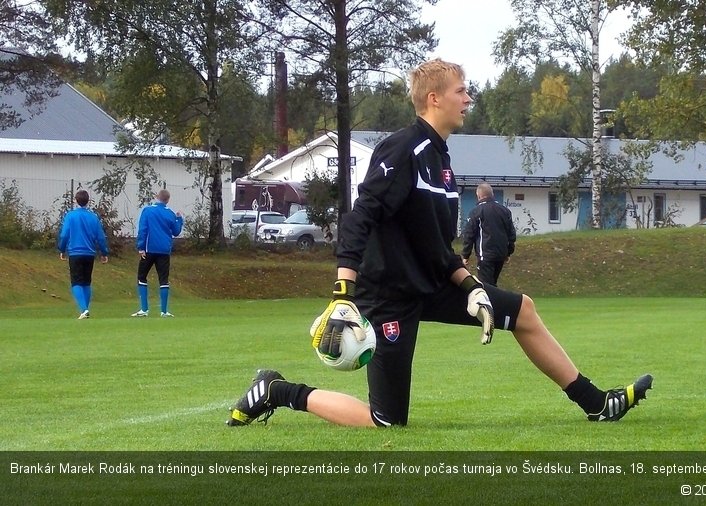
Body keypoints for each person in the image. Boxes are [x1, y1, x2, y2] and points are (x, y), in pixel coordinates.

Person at [227, 59, 652, 428]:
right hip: (389, 295)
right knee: (386, 421)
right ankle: (278, 391)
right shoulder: (403, 149)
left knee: (522, 310)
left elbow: (435, 248)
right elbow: (360, 217)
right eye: (461, 91)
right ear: (434, 98)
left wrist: (472, 289)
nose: (468, 98)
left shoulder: (442, 160)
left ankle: (596, 404)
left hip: (429, 284)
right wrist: (343, 291)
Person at [57, 190, 109, 319]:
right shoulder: (93, 217)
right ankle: (85, 310)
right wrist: (104, 252)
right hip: (89, 253)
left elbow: (64, 235)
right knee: (86, 282)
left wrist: (62, 249)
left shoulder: (70, 216)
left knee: (76, 282)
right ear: (88, 201)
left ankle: (84, 309)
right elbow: (100, 237)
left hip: (75, 252)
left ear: (76, 200)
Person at [131, 189, 183, 318]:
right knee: (163, 280)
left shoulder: (148, 211)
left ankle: (144, 309)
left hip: (149, 249)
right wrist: (179, 219)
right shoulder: (170, 213)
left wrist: (141, 246)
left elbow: (143, 229)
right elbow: (176, 232)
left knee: (142, 277)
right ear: (167, 200)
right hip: (164, 250)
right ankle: (164, 311)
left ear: (156, 197)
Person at [461, 183, 516, 286]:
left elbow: (469, 235)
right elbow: (511, 234)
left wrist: (465, 255)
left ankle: (492, 301)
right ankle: (496, 301)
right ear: (492, 194)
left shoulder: (476, 212)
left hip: (485, 255)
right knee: (493, 283)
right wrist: (508, 252)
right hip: (500, 254)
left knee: (486, 286)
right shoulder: (505, 211)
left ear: (478, 195)